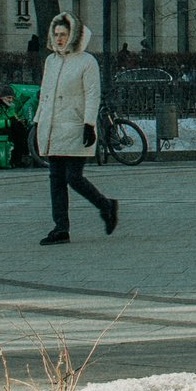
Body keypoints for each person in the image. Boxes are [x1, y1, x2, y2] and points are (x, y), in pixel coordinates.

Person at [34, 14, 118, 245]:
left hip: (75, 126)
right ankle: (61, 228)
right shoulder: (51, 61)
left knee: (73, 177)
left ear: (73, 35)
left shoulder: (86, 61)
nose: (59, 39)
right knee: (56, 178)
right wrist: (39, 120)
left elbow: (92, 94)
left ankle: (106, 205)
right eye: (56, 34)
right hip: (53, 126)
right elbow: (45, 93)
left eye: (64, 34)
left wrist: (89, 124)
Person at [0, 83, 35, 166]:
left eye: (12, 98)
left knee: (20, 130)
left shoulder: (8, 106)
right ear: (1, 97)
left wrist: (19, 122)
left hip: (1, 128)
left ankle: (19, 159)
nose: (10, 100)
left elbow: (14, 117)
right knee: (8, 132)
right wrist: (10, 122)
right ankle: (11, 159)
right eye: (8, 98)